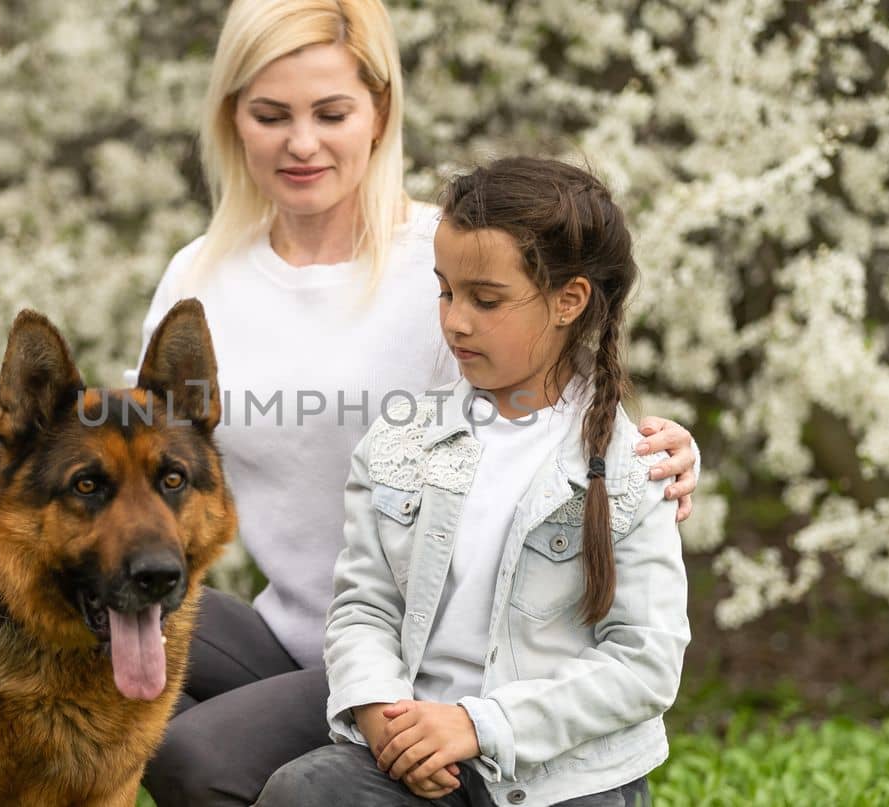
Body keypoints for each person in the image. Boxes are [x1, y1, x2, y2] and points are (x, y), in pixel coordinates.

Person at [139, 2, 701, 803]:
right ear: (232, 118)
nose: (302, 143)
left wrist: (669, 452)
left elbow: (573, 398)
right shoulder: (201, 274)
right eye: (271, 114)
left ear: (380, 111)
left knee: (257, 771)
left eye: (331, 112)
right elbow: (134, 453)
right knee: (122, 623)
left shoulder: (458, 252)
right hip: (317, 634)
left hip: (447, 653)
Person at [256, 156, 689, 806]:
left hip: (561, 777)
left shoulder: (632, 463)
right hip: (419, 745)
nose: (455, 320)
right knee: (300, 792)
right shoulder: (402, 438)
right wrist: (382, 717)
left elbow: (644, 662)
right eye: (445, 290)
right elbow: (364, 605)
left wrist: (477, 725)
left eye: (485, 300)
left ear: (569, 300)